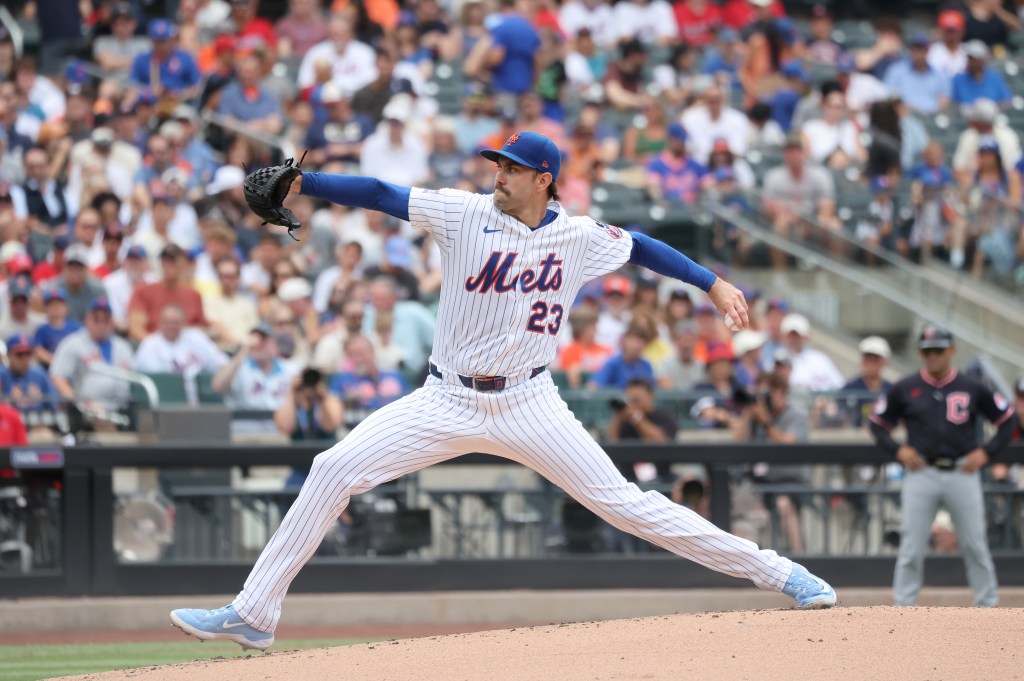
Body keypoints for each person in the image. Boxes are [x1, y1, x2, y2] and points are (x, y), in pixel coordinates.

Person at [170, 129, 835, 651]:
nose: (500, 174)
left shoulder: (577, 236)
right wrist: (304, 182)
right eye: (499, 164)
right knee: (331, 467)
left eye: (513, 167)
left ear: (544, 179)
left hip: (529, 401)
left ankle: (780, 573)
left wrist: (713, 282)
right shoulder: (463, 212)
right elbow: (378, 190)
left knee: (629, 506)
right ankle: (254, 613)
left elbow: (645, 248)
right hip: (445, 397)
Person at [869, 325, 1017, 607]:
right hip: (921, 472)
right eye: (927, 351)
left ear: (952, 350)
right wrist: (898, 449)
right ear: (919, 353)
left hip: (962, 470)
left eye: (938, 350)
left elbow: (1006, 420)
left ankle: (987, 604)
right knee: (911, 546)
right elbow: (877, 424)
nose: (933, 356)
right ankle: (903, 605)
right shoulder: (906, 387)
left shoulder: (972, 387)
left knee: (975, 544)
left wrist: (986, 453)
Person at [50, 298, 136, 423]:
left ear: (112, 322)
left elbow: (135, 378)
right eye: (96, 319)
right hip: (88, 410)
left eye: (105, 320)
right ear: (87, 320)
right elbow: (58, 378)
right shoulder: (73, 343)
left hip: (123, 409)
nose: (101, 324)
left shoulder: (123, 346)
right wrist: (78, 402)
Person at [134, 304, 228, 376]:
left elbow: (221, 363)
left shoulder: (196, 337)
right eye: (167, 322)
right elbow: (159, 381)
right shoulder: (150, 345)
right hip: (166, 398)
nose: (171, 326)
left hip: (200, 396)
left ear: (184, 323)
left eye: (176, 322)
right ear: (160, 323)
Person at [841, 335, 893, 427]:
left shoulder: (892, 390)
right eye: (867, 359)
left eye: (874, 359)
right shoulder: (849, 389)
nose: (869, 363)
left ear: (884, 362)